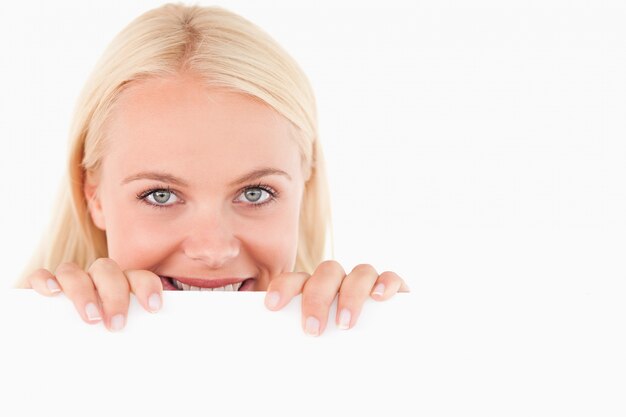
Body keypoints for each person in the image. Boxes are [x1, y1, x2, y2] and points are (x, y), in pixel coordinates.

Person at [15, 3, 409, 336]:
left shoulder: (351, 345)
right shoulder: (25, 350)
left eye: (255, 193)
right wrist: (42, 343)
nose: (213, 250)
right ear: (94, 197)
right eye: (160, 195)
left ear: (304, 187)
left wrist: (383, 346)